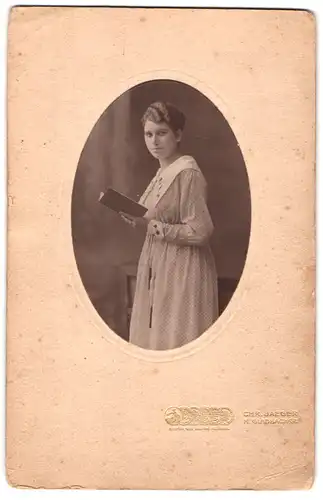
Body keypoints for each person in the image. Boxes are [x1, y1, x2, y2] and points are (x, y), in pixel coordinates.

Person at [121, 101, 219, 350]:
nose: (154, 141)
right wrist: (137, 217)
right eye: (149, 134)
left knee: (176, 337)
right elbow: (155, 216)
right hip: (158, 262)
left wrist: (156, 228)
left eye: (162, 133)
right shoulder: (162, 172)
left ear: (177, 135)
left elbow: (200, 232)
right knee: (155, 339)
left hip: (183, 266)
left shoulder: (187, 173)